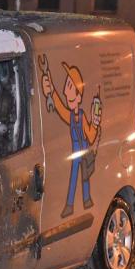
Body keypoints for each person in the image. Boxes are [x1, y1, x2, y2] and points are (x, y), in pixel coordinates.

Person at [40, 58, 101, 218]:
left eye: (69, 87)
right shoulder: (70, 115)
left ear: (79, 97)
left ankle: (86, 199)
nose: (66, 92)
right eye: (67, 86)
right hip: (75, 150)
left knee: (85, 175)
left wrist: (95, 123)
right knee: (74, 176)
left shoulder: (82, 116)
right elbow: (59, 107)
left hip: (83, 148)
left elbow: (91, 136)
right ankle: (69, 205)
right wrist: (51, 89)